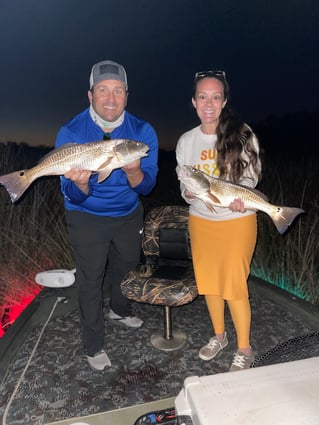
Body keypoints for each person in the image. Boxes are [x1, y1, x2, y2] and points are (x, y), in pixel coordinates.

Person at [55, 60, 158, 371]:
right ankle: (93, 345)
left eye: (118, 91)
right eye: (103, 90)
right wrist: (82, 183)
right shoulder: (71, 131)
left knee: (127, 268)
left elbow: (147, 187)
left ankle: (119, 308)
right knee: (90, 277)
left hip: (127, 214)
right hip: (85, 215)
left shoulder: (141, 133)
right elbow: (70, 193)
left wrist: (136, 172)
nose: (110, 98)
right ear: (90, 95)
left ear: (127, 95)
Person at [175, 70, 262, 371]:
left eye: (215, 97)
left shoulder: (243, 134)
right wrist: (188, 193)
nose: (208, 103)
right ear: (194, 102)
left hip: (238, 221)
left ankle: (244, 348)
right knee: (210, 284)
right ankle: (219, 336)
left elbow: (251, 177)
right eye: (202, 97)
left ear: (224, 101)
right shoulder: (186, 141)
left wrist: (244, 197)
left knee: (234, 285)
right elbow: (185, 185)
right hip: (201, 222)